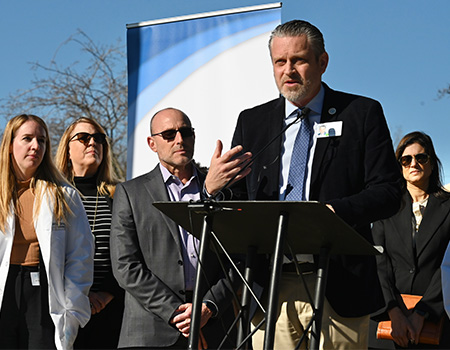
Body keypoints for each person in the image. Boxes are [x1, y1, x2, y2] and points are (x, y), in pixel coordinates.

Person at [230, 20, 402, 349]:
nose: (289, 70)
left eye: (299, 60)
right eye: (280, 62)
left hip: (341, 284)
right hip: (270, 288)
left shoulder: (360, 113)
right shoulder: (252, 122)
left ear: (323, 62)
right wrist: (215, 187)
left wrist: (332, 213)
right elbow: (237, 199)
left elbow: (389, 192)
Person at [110, 107, 251, 349]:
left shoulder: (221, 189)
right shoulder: (130, 193)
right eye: (168, 134)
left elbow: (238, 258)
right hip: (150, 331)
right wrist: (176, 311)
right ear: (152, 143)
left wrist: (209, 305)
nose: (179, 140)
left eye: (185, 132)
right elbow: (125, 266)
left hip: (216, 328)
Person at [0, 114, 94, 350]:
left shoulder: (64, 195)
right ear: (10, 145)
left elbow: (80, 256)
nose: (35, 146)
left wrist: (72, 309)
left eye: (41, 141)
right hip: (5, 289)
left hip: (43, 292)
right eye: (27, 138)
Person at [373, 132, 450, 349]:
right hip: (390, 324)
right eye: (406, 160)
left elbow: (448, 265)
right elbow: (379, 264)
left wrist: (422, 312)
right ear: (399, 167)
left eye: (421, 158)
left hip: (438, 322)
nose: (413, 164)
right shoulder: (384, 209)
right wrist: (394, 311)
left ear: (432, 163)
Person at [55, 117, 124, 349]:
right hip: (61, 308)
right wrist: (76, 296)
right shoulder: (52, 196)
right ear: (67, 150)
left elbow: (133, 252)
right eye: (84, 138)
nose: (92, 142)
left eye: (99, 138)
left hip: (110, 308)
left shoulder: (120, 195)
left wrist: (106, 294)